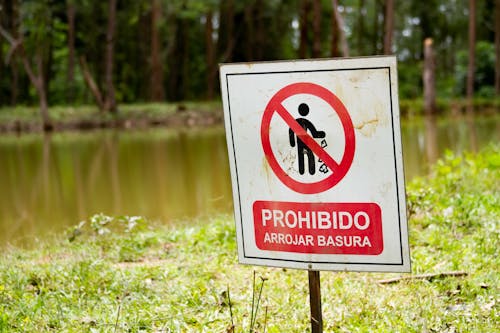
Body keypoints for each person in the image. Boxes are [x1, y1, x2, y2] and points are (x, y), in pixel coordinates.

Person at [289, 103, 325, 175]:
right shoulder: (304, 121)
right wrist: (319, 134)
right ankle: (308, 171)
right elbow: (313, 132)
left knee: (303, 155)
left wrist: (292, 142)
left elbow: (291, 131)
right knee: (307, 154)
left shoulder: (298, 122)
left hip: (303, 141)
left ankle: (305, 171)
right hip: (305, 141)